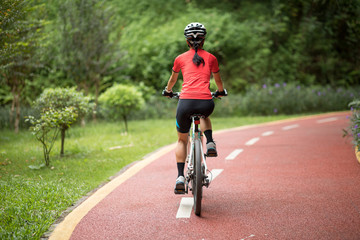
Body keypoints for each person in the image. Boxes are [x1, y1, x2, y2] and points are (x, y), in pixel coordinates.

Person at [163, 22, 226, 194]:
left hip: (185, 104)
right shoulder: (212, 58)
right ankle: (210, 142)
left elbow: (172, 81)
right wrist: (220, 92)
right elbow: (218, 81)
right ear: (204, 40)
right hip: (205, 102)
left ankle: (180, 177)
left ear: (187, 42)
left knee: (182, 140)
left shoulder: (180, 58)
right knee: (204, 115)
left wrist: (168, 92)